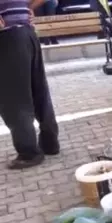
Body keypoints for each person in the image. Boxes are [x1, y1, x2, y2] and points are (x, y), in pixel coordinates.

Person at [0, 1, 60, 170]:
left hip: (7, 36)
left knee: (13, 98)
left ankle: (28, 153)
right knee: (38, 90)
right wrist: (29, 7)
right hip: (27, 32)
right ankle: (49, 143)